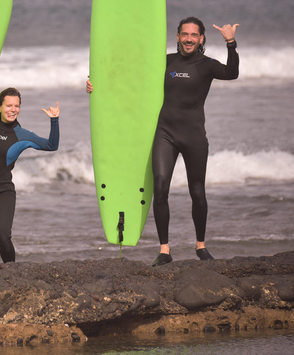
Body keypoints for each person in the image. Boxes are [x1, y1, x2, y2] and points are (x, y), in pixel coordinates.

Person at [87, 18, 239, 266]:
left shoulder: (207, 65)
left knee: (197, 192)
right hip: (165, 133)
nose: (189, 39)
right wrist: (96, 85)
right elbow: (130, 79)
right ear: (177, 36)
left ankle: (200, 246)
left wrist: (230, 42)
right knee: (160, 187)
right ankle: (165, 250)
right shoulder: (165, 62)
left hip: (194, 136)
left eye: (194, 35)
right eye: (184, 34)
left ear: (201, 38)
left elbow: (232, 73)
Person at [0, 88, 60, 264]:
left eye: (16, 106)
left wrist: (54, 120)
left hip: (3, 193)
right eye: (9, 105)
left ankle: (11, 270)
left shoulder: (22, 135)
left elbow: (51, 145)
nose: (13, 109)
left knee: (2, 236)